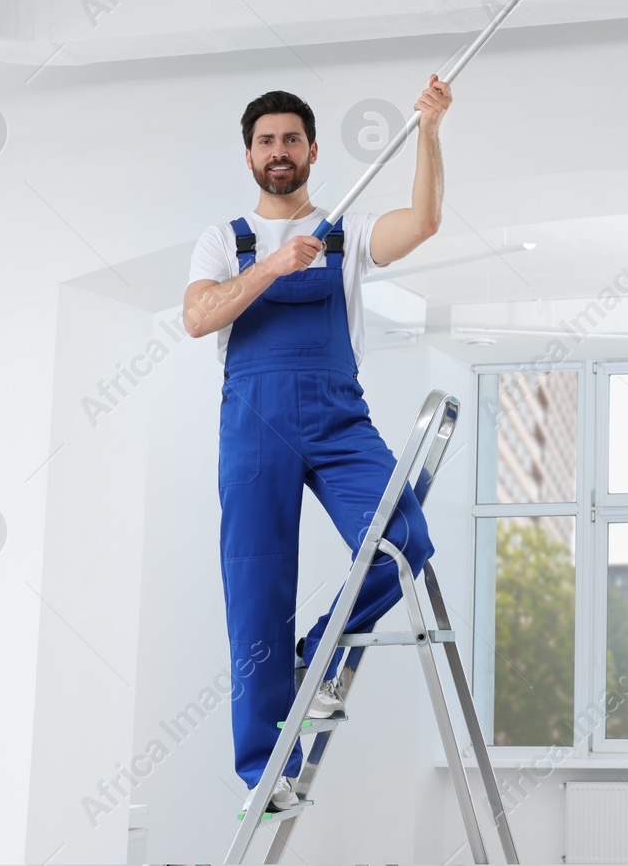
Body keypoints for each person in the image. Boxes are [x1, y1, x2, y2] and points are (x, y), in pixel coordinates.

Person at [182, 77, 451, 812]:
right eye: (266, 140)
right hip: (253, 426)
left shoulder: (346, 229)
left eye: (291, 139)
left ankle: (317, 656)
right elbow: (199, 317)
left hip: (337, 419)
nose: (279, 151)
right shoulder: (223, 239)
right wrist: (271, 264)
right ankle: (265, 772)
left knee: (401, 538)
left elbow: (422, 223)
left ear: (311, 151)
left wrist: (428, 130)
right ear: (249, 155)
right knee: (256, 591)